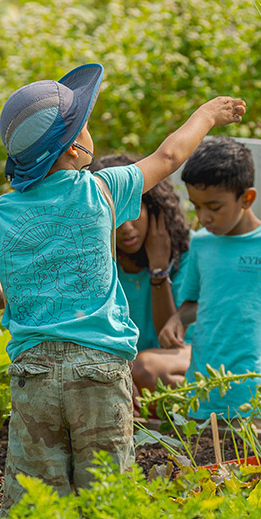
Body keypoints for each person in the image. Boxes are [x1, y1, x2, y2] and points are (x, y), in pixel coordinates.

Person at [0, 65, 244, 511]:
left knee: (38, 508)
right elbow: (168, 157)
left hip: (34, 375)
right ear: (73, 148)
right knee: (108, 503)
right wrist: (206, 115)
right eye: (84, 125)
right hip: (100, 369)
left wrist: (21, 291)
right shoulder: (102, 192)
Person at [158, 137, 261, 419]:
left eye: (214, 206)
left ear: (247, 198)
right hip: (203, 392)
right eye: (197, 207)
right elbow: (198, 303)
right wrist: (176, 320)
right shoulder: (200, 244)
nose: (204, 217)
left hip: (257, 397)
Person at [90, 152, 193, 393]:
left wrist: (158, 271)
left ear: (154, 208)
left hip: (181, 363)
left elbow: (169, 342)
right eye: (115, 217)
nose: (126, 228)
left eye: (132, 212)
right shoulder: (98, 262)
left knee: (145, 368)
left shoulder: (187, 254)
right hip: (127, 371)